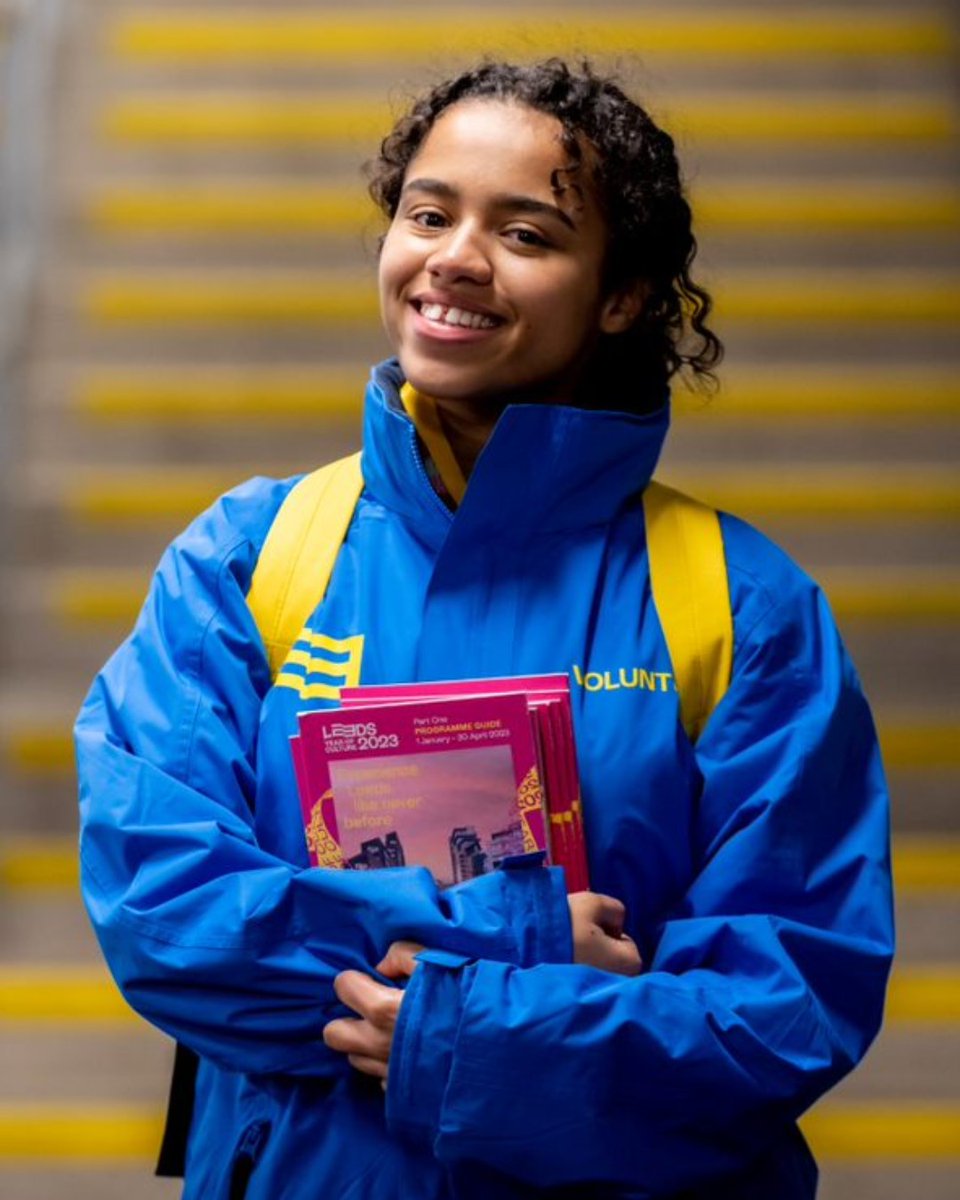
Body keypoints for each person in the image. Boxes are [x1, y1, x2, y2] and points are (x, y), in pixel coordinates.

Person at [76, 59, 894, 1199]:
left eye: (527, 232)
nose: (455, 257)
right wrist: (524, 944)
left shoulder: (741, 607)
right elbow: (166, 906)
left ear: (622, 294)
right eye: (428, 213)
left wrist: (466, 1038)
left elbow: (790, 999)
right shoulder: (248, 558)